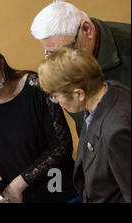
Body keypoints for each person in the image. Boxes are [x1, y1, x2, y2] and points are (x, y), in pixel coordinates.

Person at [0, 42, 77, 203]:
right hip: (6, 194)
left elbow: (61, 145)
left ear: (2, 64)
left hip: (54, 187)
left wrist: (19, 184)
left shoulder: (36, 87)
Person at [38, 47, 131, 203]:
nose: (55, 101)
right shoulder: (110, 88)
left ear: (79, 94)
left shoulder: (116, 132)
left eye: (55, 96)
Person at [30, 0, 131, 134]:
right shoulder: (61, 64)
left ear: (87, 29)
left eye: (64, 49)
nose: (59, 59)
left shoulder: (126, 44)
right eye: (51, 53)